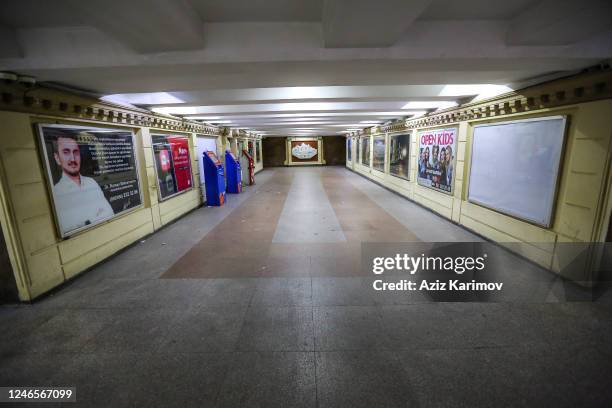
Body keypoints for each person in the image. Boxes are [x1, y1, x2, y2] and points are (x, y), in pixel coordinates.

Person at [51, 134, 114, 234]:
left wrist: (85, 220)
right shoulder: (57, 192)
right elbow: (68, 228)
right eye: (66, 152)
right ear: (57, 158)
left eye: (75, 152)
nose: (72, 159)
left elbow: (109, 213)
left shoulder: (91, 182)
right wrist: (97, 214)